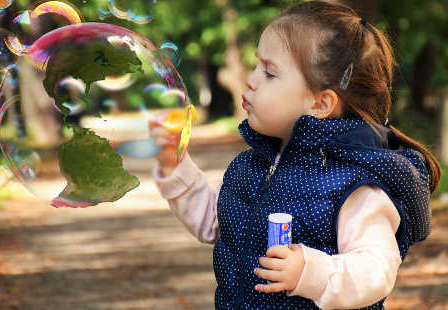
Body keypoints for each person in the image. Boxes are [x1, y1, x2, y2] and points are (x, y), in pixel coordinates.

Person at [150, 1, 440, 309]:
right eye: (255, 65)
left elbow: (376, 269)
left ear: (319, 103)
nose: (250, 79)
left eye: (270, 73)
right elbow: (215, 221)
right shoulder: (252, 166)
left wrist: (310, 271)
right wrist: (175, 163)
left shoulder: (354, 184)